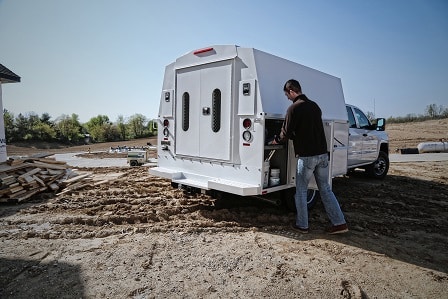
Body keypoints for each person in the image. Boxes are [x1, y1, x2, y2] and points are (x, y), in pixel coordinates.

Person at [272, 79, 348, 234]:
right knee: (326, 189)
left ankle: (302, 225)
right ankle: (340, 223)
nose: (287, 97)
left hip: (307, 157)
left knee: (300, 190)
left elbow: (285, 133)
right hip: (322, 155)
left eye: (287, 94)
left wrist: (275, 140)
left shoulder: (294, 108)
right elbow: (307, 130)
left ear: (292, 91)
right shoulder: (315, 106)